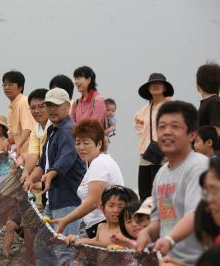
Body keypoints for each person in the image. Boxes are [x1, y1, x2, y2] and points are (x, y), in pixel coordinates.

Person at [136, 101, 209, 265]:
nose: (166, 132)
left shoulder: (199, 166)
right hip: (169, 261)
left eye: (175, 126)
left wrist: (170, 239)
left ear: (192, 135)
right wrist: (147, 233)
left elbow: (196, 213)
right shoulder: (161, 174)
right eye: (161, 127)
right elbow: (159, 220)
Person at [22, 88, 86, 265]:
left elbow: (65, 159)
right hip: (54, 200)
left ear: (67, 106)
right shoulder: (53, 131)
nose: (51, 109)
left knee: (66, 251)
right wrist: (30, 178)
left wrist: (50, 174)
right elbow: (43, 164)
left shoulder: (69, 130)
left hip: (69, 200)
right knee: (42, 245)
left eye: (56, 105)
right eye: (48, 105)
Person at [51, 118, 125, 238]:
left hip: (105, 226)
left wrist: (65, 220)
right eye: (78, 143)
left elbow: (93, 202)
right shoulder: (95, 163)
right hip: (98, 227)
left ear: (99, 144)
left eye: (86, 143)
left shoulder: (100, 163)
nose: (81, 147)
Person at [134, 73, 173, 201]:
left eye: (159, 83)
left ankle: (163, 220)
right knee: (144, 194)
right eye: (152, 84)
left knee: (161, 192)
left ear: (165, 88)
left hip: (163, 154)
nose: (155, 86)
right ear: (148, 88)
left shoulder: (170, 105)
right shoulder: (143, 110)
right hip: (146, 153)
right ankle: (147, 220)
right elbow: (137, 125)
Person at [2, 71, 35, 162]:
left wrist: (18, 145)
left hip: (30, 154)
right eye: (4, 85)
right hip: (20, 155)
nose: (7, 88)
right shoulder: (11, 107)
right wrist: (7, 141)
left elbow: (28, 129)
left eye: (10, 84)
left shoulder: (24, 102)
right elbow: (13, 135)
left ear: (20, 87)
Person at [196, 62, 220, 152]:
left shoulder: (215, 102)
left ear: (200, 81)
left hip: (212, 157)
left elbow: (215, 132)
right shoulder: (209, 102)